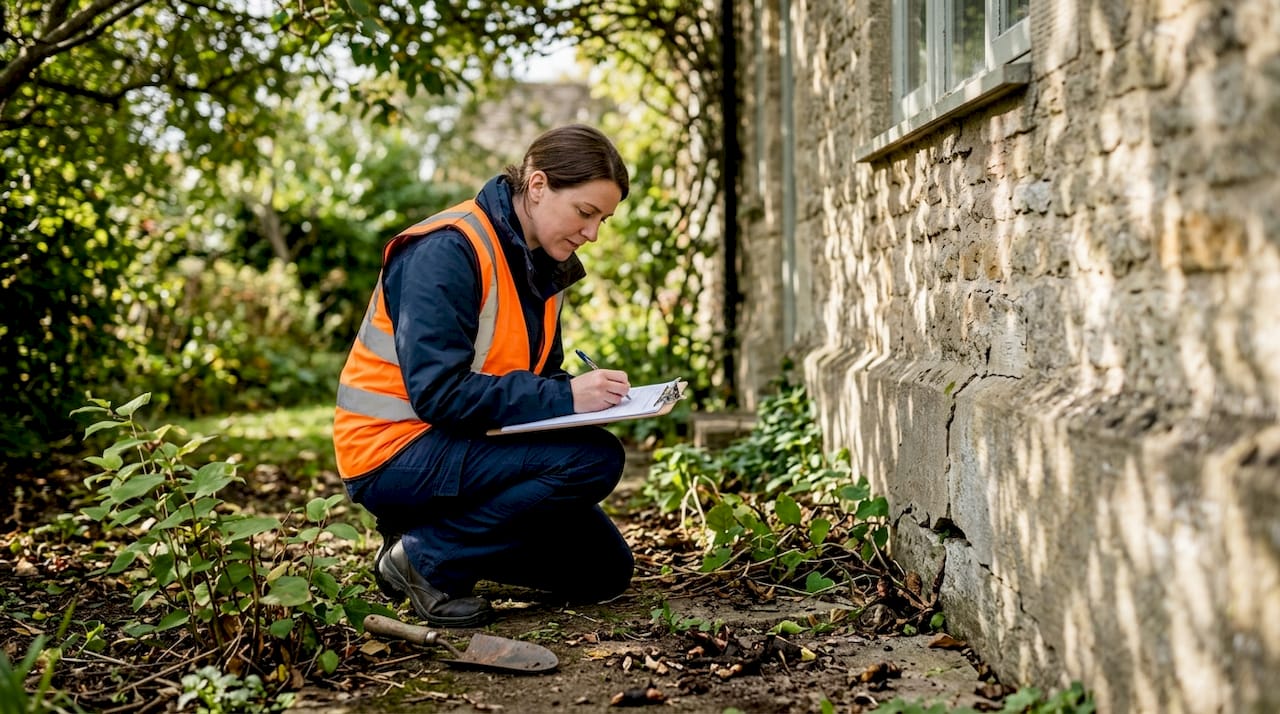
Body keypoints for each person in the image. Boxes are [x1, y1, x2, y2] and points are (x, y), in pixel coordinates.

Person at [332, 124, 636, 627]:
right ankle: (424, 559)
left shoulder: (544, 263)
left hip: (464, 441)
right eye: (585, 213)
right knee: (595, 459)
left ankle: (432, 539)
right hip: (392, 452)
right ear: (537, 186)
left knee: (603, 570)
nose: (592, 233)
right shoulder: (446, 250)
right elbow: (438, 392)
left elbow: (530, 374)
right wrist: (567, 399)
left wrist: (583, 399)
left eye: (602, 219)